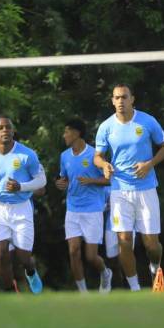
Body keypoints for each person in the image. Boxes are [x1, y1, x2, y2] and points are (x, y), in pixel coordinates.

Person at [94, 84, 164, 291]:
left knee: (151, 245)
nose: (120, 101)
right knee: (124, 241)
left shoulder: (147, 121)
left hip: (146, 189)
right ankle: (135, 288)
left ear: (132, 99)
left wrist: (149, 164)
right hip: (119, 190)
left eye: (124, 97)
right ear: (112, 101)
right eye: (116, 98)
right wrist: (104, 165)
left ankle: (155, 266)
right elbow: (97, 157)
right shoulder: (106, 127)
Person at [0, 115, 46, 294]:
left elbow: (41, 180)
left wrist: (20, 187)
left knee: (24, 257)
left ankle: (30, 271)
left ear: (13, 131)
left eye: (8, 127)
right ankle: (9, 292)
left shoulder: (27, 155)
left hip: (21, 208)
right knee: (0, 254)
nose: (5, 131)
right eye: (0, 128)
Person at [56, 119, 113, 293]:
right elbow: (63, 178)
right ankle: (83, 293)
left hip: (93, 210)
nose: (64, 135)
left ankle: (105, 273)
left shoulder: (94, 155)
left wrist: (92, 181)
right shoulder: (64, 156)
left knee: (91, 257)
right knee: (73, 252)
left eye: (67, 131)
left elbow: (108, 180)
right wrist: (60, 183)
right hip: (72, 210)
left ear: (77, 133)